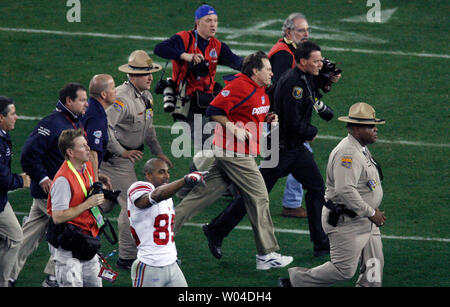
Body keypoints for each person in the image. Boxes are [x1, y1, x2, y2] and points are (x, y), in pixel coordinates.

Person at [202, 42, 333, 259]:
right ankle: (216, 229)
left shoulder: (303, 77)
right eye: (317, 60)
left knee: (317, 188)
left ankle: (321, 243)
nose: (320, 63)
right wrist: (311, 130)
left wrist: (328, 80)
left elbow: (312, 93)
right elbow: (291, 122)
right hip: (281, 150)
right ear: (303, 62)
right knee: (254, 195)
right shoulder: (294, 84)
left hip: (294, 148)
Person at [174, 51, 293, 270]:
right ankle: (266, 254)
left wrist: (266, 118)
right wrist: (232, 128)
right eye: (267, 69)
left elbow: (248, 112)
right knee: (259, 196)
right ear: (255, 71)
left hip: (237, 151)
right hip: (234, 152)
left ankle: (159, 237)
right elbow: (214, 109)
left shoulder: (259, 89)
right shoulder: (240, 85)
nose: (272, 72)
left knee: (199, 197)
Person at [280, 102, 386, 287]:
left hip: (365, 219)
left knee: (374, 267)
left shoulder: (360, 146)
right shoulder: (348, 153)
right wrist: (370, 212)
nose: (375, 129)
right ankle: (294, 283)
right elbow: (345, 190)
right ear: (356, 128)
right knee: (343, 270)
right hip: (347, 221)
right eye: (371, 126)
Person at [99, 50, 173, 270]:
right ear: (132, 75)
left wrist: (158, 152)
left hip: (125, 159)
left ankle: (68, 220)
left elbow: (148, 129)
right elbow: (105, 127)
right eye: (145, 74)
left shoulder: (146, 96)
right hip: (114, 161)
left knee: (102, 204)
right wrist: (121, 151)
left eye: (151, 73)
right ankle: (127, 257)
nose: (150, 78)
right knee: (132, 204)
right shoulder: (121, 99)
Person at [11, 83, 88, 287]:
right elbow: (28, 154)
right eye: (82, 100)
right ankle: (54, 277)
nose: (86, 104)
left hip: (53, 193)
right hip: (54, 194)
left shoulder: (68, 122)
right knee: (72, 232)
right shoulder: (52, 123)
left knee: (26, 237)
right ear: (69, 101)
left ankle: (7, 274)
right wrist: (43, 178)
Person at [268, 12, 341, 219]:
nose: (306, 34)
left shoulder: (294, 50)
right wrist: (306, 129)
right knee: (279, 164)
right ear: (288, 32)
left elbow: (303, 85)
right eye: (301, 30)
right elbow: (283, 89)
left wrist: (324, 80)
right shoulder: (282, 54)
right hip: (281, 120)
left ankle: (244, 186)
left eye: (308, 30)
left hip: (289, 120)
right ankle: (244, 188)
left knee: (275, 164)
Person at [154, 4, 242, 144]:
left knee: (223, 142)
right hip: (188, 103)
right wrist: (184, 55)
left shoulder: (218, 46)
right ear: (197, 22)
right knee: (208, 146)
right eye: (208, 20)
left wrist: (256, 65)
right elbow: (159, 49)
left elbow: (237, 62)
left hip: (209, 100)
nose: (213, 25)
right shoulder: (184, 38)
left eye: (215, 20)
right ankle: (199, 166)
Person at [128, 158, 207, 287]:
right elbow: (155, 196)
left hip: (172, 264)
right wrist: (185, 180)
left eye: (167, 172)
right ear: (148, 175)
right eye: (161, 172)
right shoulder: (139, 187)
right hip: (149, 265)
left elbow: (163, 194)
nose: (166, 176)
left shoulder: (167, 196)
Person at [46, 128, 105, 287]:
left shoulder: (86, 167)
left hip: (86, 240)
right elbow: (57, 217)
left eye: (86, 144)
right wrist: (88, 204)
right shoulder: (63, 180)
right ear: (71, 152)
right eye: (83, 146)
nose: (88, 148)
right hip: (68, 246)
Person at [0, 96, 30, 287]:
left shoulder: (3, 134)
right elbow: (1, 178)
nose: (16, 117)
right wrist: (21, 180)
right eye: (12, 114)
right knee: (15, 236)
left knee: (6, 240)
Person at [82, 74, 116, 181]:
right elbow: (92, 152)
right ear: (103, 94)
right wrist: (95, 181)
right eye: (113, 88)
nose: (116, 91)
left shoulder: (92, 107)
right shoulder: (97, 117)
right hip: (83, 172)